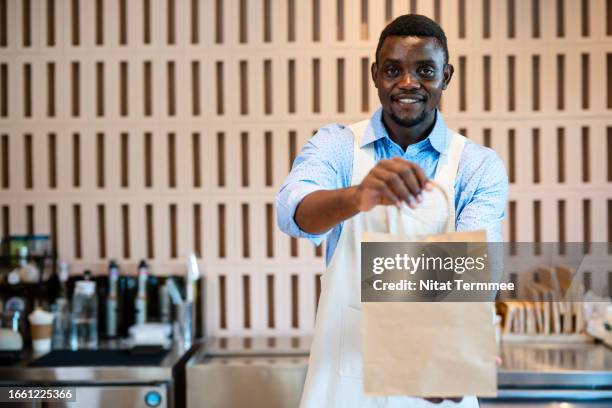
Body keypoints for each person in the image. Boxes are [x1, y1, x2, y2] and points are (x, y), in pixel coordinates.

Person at [276, 14, 508, 408]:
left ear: (447, 76)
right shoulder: (335, 146)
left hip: (436, 372)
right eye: (392, 70)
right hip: (344, 384)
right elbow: (293, 212)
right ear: (374, 75)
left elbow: (477, 266)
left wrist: (448, 344)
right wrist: (356, 197)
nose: (407, 83)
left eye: (425, 70)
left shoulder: (477, 165)